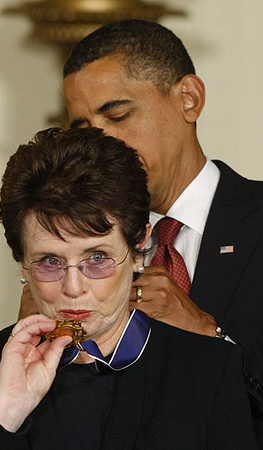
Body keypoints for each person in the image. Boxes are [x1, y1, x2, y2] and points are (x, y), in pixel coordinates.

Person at [0, 127, 258, 449]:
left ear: (140, 246)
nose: (73, 288)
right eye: (50, 261)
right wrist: (3, 414)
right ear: (21, 259)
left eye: (97, 257)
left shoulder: (208, 370)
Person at [61, 19, 263, 442]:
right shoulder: (78, 255)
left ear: (189, 99)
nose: (101, 142)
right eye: (83, 129)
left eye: (118, 114)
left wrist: (211, 337)